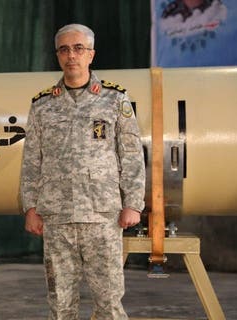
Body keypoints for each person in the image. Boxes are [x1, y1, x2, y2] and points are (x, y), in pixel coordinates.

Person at [19, 24, 145, 319]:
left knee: (109, 301)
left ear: (91, 55)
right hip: (57, 218)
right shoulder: (42, 105)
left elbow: (131, 154)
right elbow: (31, 160)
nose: (71, 56)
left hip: (102, 216)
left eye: (78, 49)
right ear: (58, 56)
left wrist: (133, 204)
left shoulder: (115, 99)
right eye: (64, 49)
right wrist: (31, 206)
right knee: (60, 304)